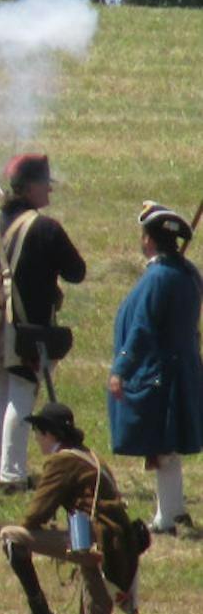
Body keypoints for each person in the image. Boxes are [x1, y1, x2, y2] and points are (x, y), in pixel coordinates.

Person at [0, 402, 197, 614]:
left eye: (38, 433)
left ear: (49, 434)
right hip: (113, 544)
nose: (36, 439)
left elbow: (33, 517)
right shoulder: (89, 456)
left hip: (95, 543)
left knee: (11, 537)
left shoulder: (61, 461)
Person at [0, 154, 86, 493]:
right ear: (32, 187)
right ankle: (11, 475)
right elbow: (76, 271)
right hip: (28, 328)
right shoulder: (45, 228)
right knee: (20, 398)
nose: (49, 192)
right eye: (45, 185)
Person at [107, 203, 203, 534]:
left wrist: (121, 368)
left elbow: (142, 327)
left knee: (163, 447)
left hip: (158, 373)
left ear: (149, 240)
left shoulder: (159, 277)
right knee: (167, 448)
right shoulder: (186, 273)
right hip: (179, 370)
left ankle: (168, 517)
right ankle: (172, 511)